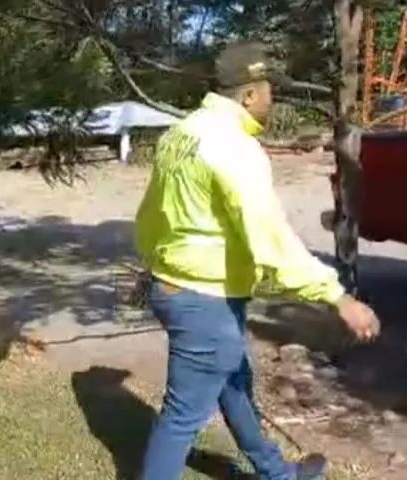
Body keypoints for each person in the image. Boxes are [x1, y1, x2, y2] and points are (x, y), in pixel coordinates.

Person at [134, 41, 381, 480]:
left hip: (181, 288)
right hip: (203, 300)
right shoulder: (234, 148)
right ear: (248, 95)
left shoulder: (181, 133)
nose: (274, 97)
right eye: (270, 88)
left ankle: (276, 473)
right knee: (181, 418)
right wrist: (338, 297)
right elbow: (271, 239)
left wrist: (156, 266)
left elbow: (152, 216)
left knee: (235, 386)